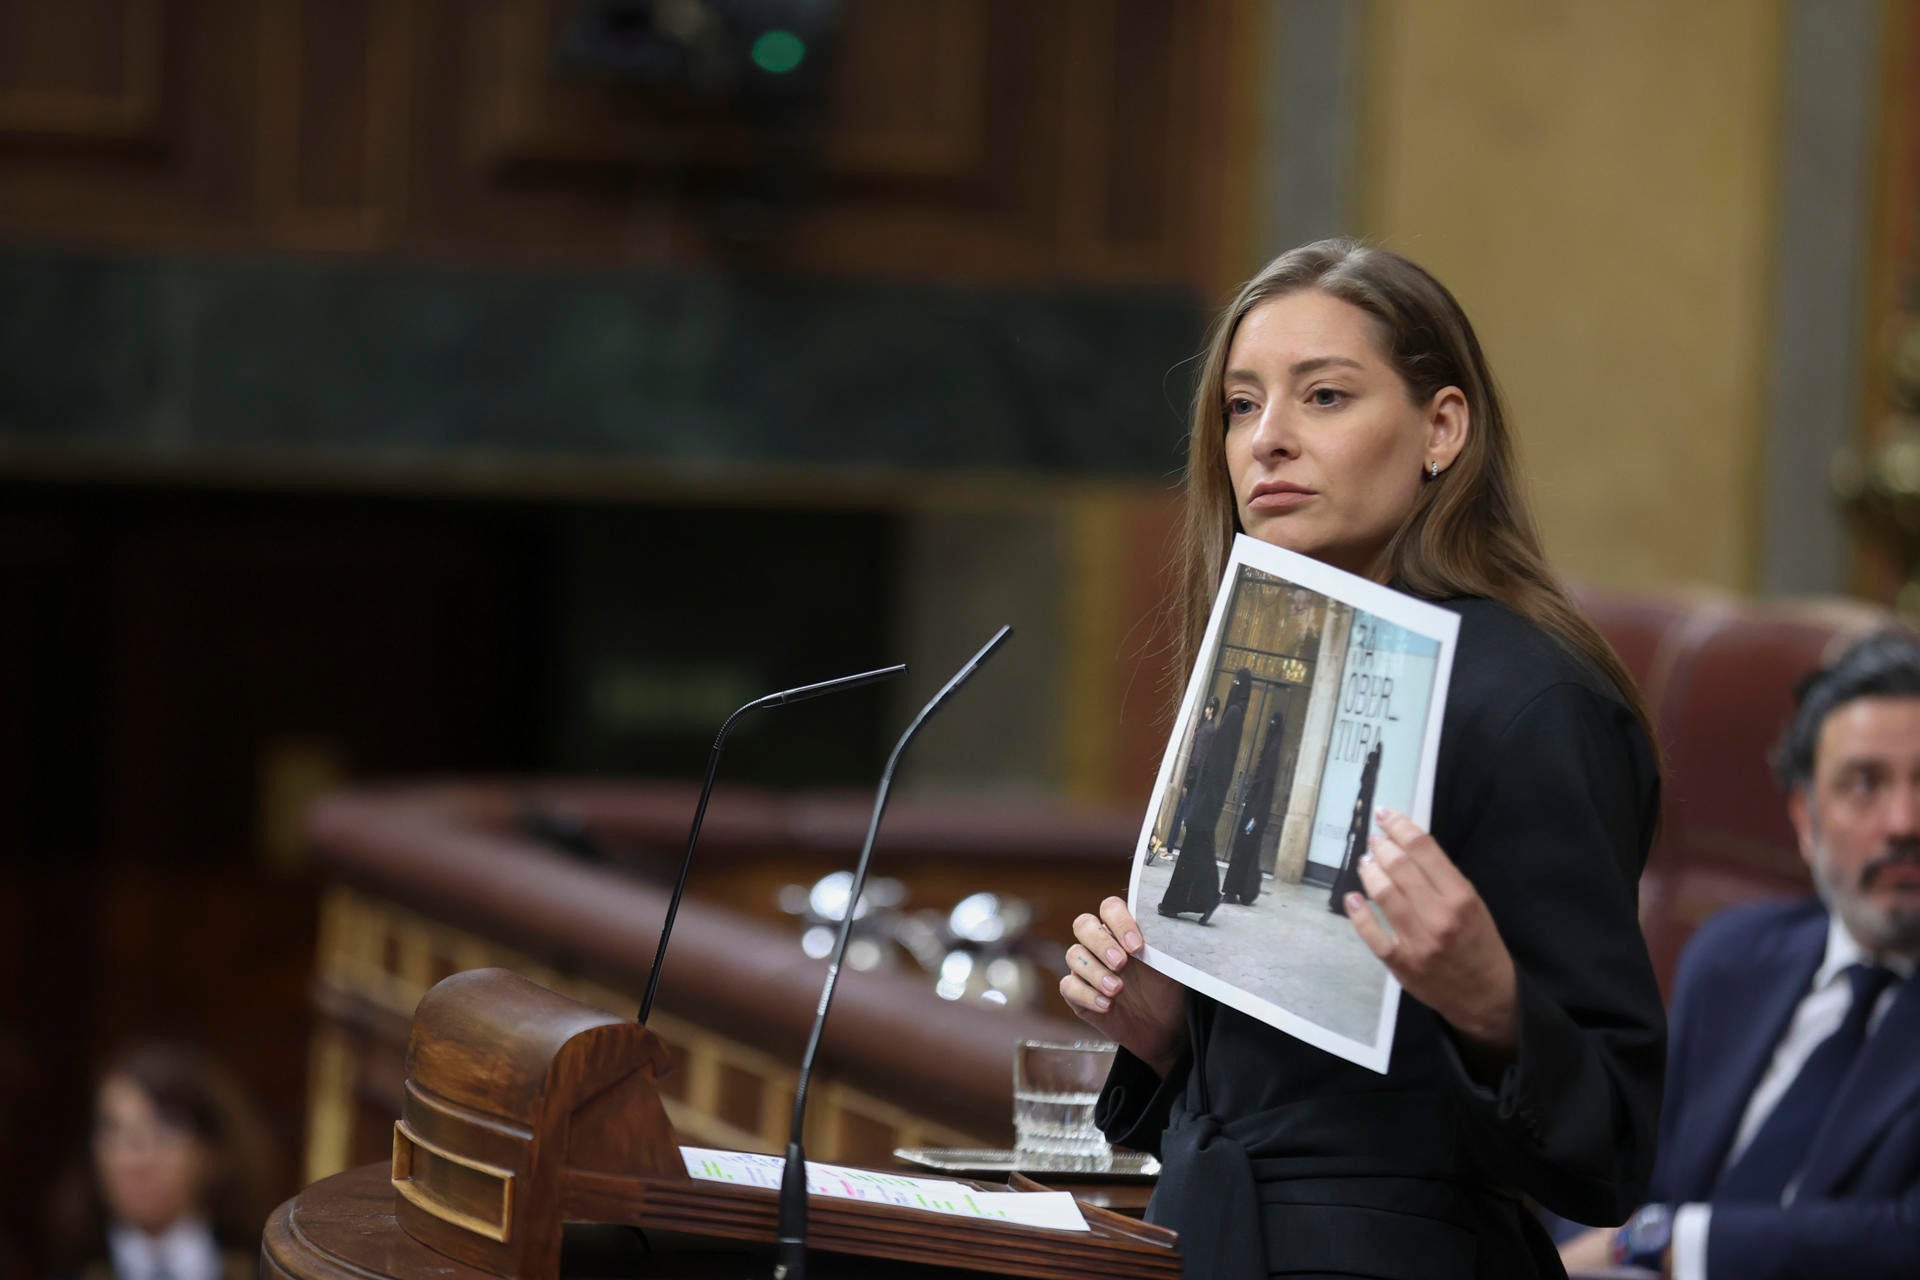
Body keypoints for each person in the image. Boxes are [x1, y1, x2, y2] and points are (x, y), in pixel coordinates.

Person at [1058, 239, 1664, 1279]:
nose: (1268, 441)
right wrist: (1171, 1037)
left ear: (1442, 427)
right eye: (1241, 407)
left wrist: (1491, 1001)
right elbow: (1295, 1096)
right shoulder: (1268, 656)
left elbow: (1611, 1143)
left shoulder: (1535, 698)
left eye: (1324, 396)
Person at [1558, 631, 1920, 1279]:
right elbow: (1622, 1167)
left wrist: (1666, 1241)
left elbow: (1902, 1239)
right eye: (1865, 783)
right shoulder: (1732, 957)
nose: (1903, 821)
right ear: (1806, 821)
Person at [44, 1043, 279, 1280]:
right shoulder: (73, 1272)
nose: (136, 1160)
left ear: (212, 1153)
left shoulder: (261, 1272)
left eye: (165, 1133)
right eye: (115, 1133)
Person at [1158, 669, 1252, 922]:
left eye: (1236, 683)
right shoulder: (1236, 715)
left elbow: (1217, 766)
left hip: (1207, 800)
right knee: (1198, 850)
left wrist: (1201, 799)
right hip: (1209, 799)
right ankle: (1198, 900)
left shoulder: (1233, 715)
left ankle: (1188, 901)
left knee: (1196, 849)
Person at [1221, 707, 1287, 906]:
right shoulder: (1270, 747)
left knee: (1244, 849)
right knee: (1245, 850)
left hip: (1255, 812)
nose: (1270, 726)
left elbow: (1265, 784)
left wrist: (1254, 816)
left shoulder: (1273, 750)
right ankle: (1239, 890)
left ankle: (1233, 890)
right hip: (1254, 809)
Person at [1166, 695, 1220, 856]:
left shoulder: (1207, 730)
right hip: (1198, 781)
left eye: (1207, 708)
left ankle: (1169, 849)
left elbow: (1197, 758)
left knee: (1180, 815)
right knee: (1185, 815)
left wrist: (1188, 782)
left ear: (1210, 710)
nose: (1205, 710)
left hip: (1194, 781)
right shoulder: (1210, 729)